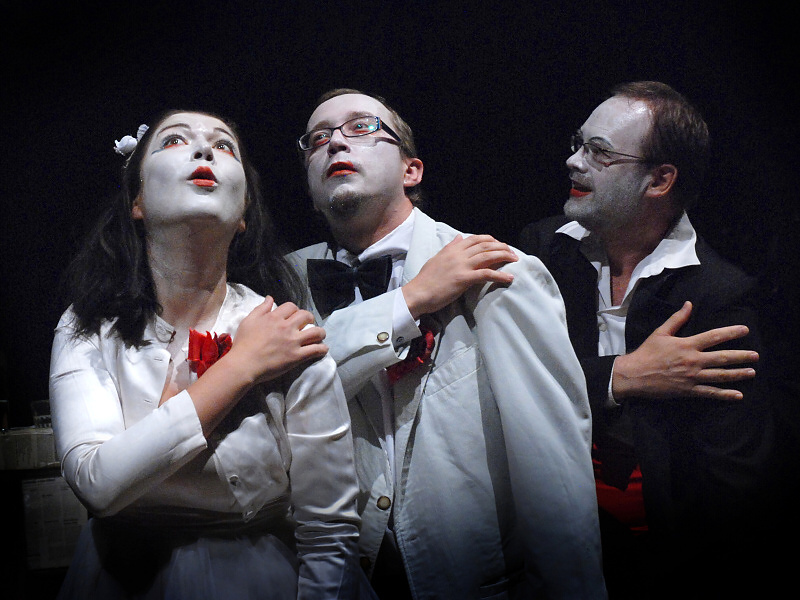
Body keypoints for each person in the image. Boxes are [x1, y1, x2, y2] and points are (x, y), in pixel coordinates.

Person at [287, 89, 607, 599]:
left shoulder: (496, 271)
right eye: (318, 138)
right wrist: (410, 300)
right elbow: (285, 404)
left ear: (411, 170)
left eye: (361, 127)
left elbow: (553, 466)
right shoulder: (285, 284)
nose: (336, 143)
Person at [49, 110, 369, 599]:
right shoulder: (88, 324)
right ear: (137, 201)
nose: (203, 150)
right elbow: (97, 484)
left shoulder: (283, 330)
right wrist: (241, 367)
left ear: (243, 214)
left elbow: (329, 532)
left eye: (224, 146)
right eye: (174, 141)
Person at [518, 81, 773, 598]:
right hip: (532, 518)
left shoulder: (717, 296)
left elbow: (731, 482)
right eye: (579, 143)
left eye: (599, 152)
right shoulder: (542, 250)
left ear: (659, 180)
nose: (573, 161)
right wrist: (624, 376)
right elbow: (506, 384)